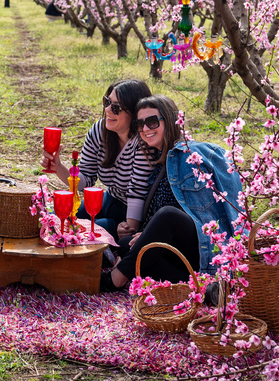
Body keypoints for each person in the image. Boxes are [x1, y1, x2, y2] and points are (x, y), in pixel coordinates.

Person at [101, 95, 242, 292]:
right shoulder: (160, 160)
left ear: (169, 120)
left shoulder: (186, 156)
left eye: (151, 122)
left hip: (204, 247)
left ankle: (114, 279)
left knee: (168, 215)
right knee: (127, 244)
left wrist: (151, 233)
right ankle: (199, 287)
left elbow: (197, 215)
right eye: (139, 124)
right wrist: (145, 235)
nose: (145, 129)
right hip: (179, 249)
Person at [41, 79, 154, 242]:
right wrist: (57, 166)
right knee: (54, 220)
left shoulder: (143, 142)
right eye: (107, 102)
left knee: (80, 231)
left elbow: (137, 193)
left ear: (135, 113)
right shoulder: (99, 131)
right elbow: (85, 179)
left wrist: (129, 229)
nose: (108, 110)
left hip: (131, 213)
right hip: (107, 200)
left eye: (116, 107)